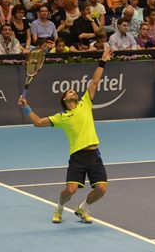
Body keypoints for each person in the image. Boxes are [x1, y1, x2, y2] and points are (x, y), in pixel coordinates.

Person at [17, 48, 114, 224]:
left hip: (94, 154)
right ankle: (59, 208)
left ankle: (83, 208)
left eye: (73, 91)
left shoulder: (85, 103)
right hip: (77, 157)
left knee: (101, 189)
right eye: (69, 92)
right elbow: (38, 122)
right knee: (70, 190)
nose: (73, 92)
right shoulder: (61, 116)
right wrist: (25, 107)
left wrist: (103, 61)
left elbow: (95, 81)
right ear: (64, 100)